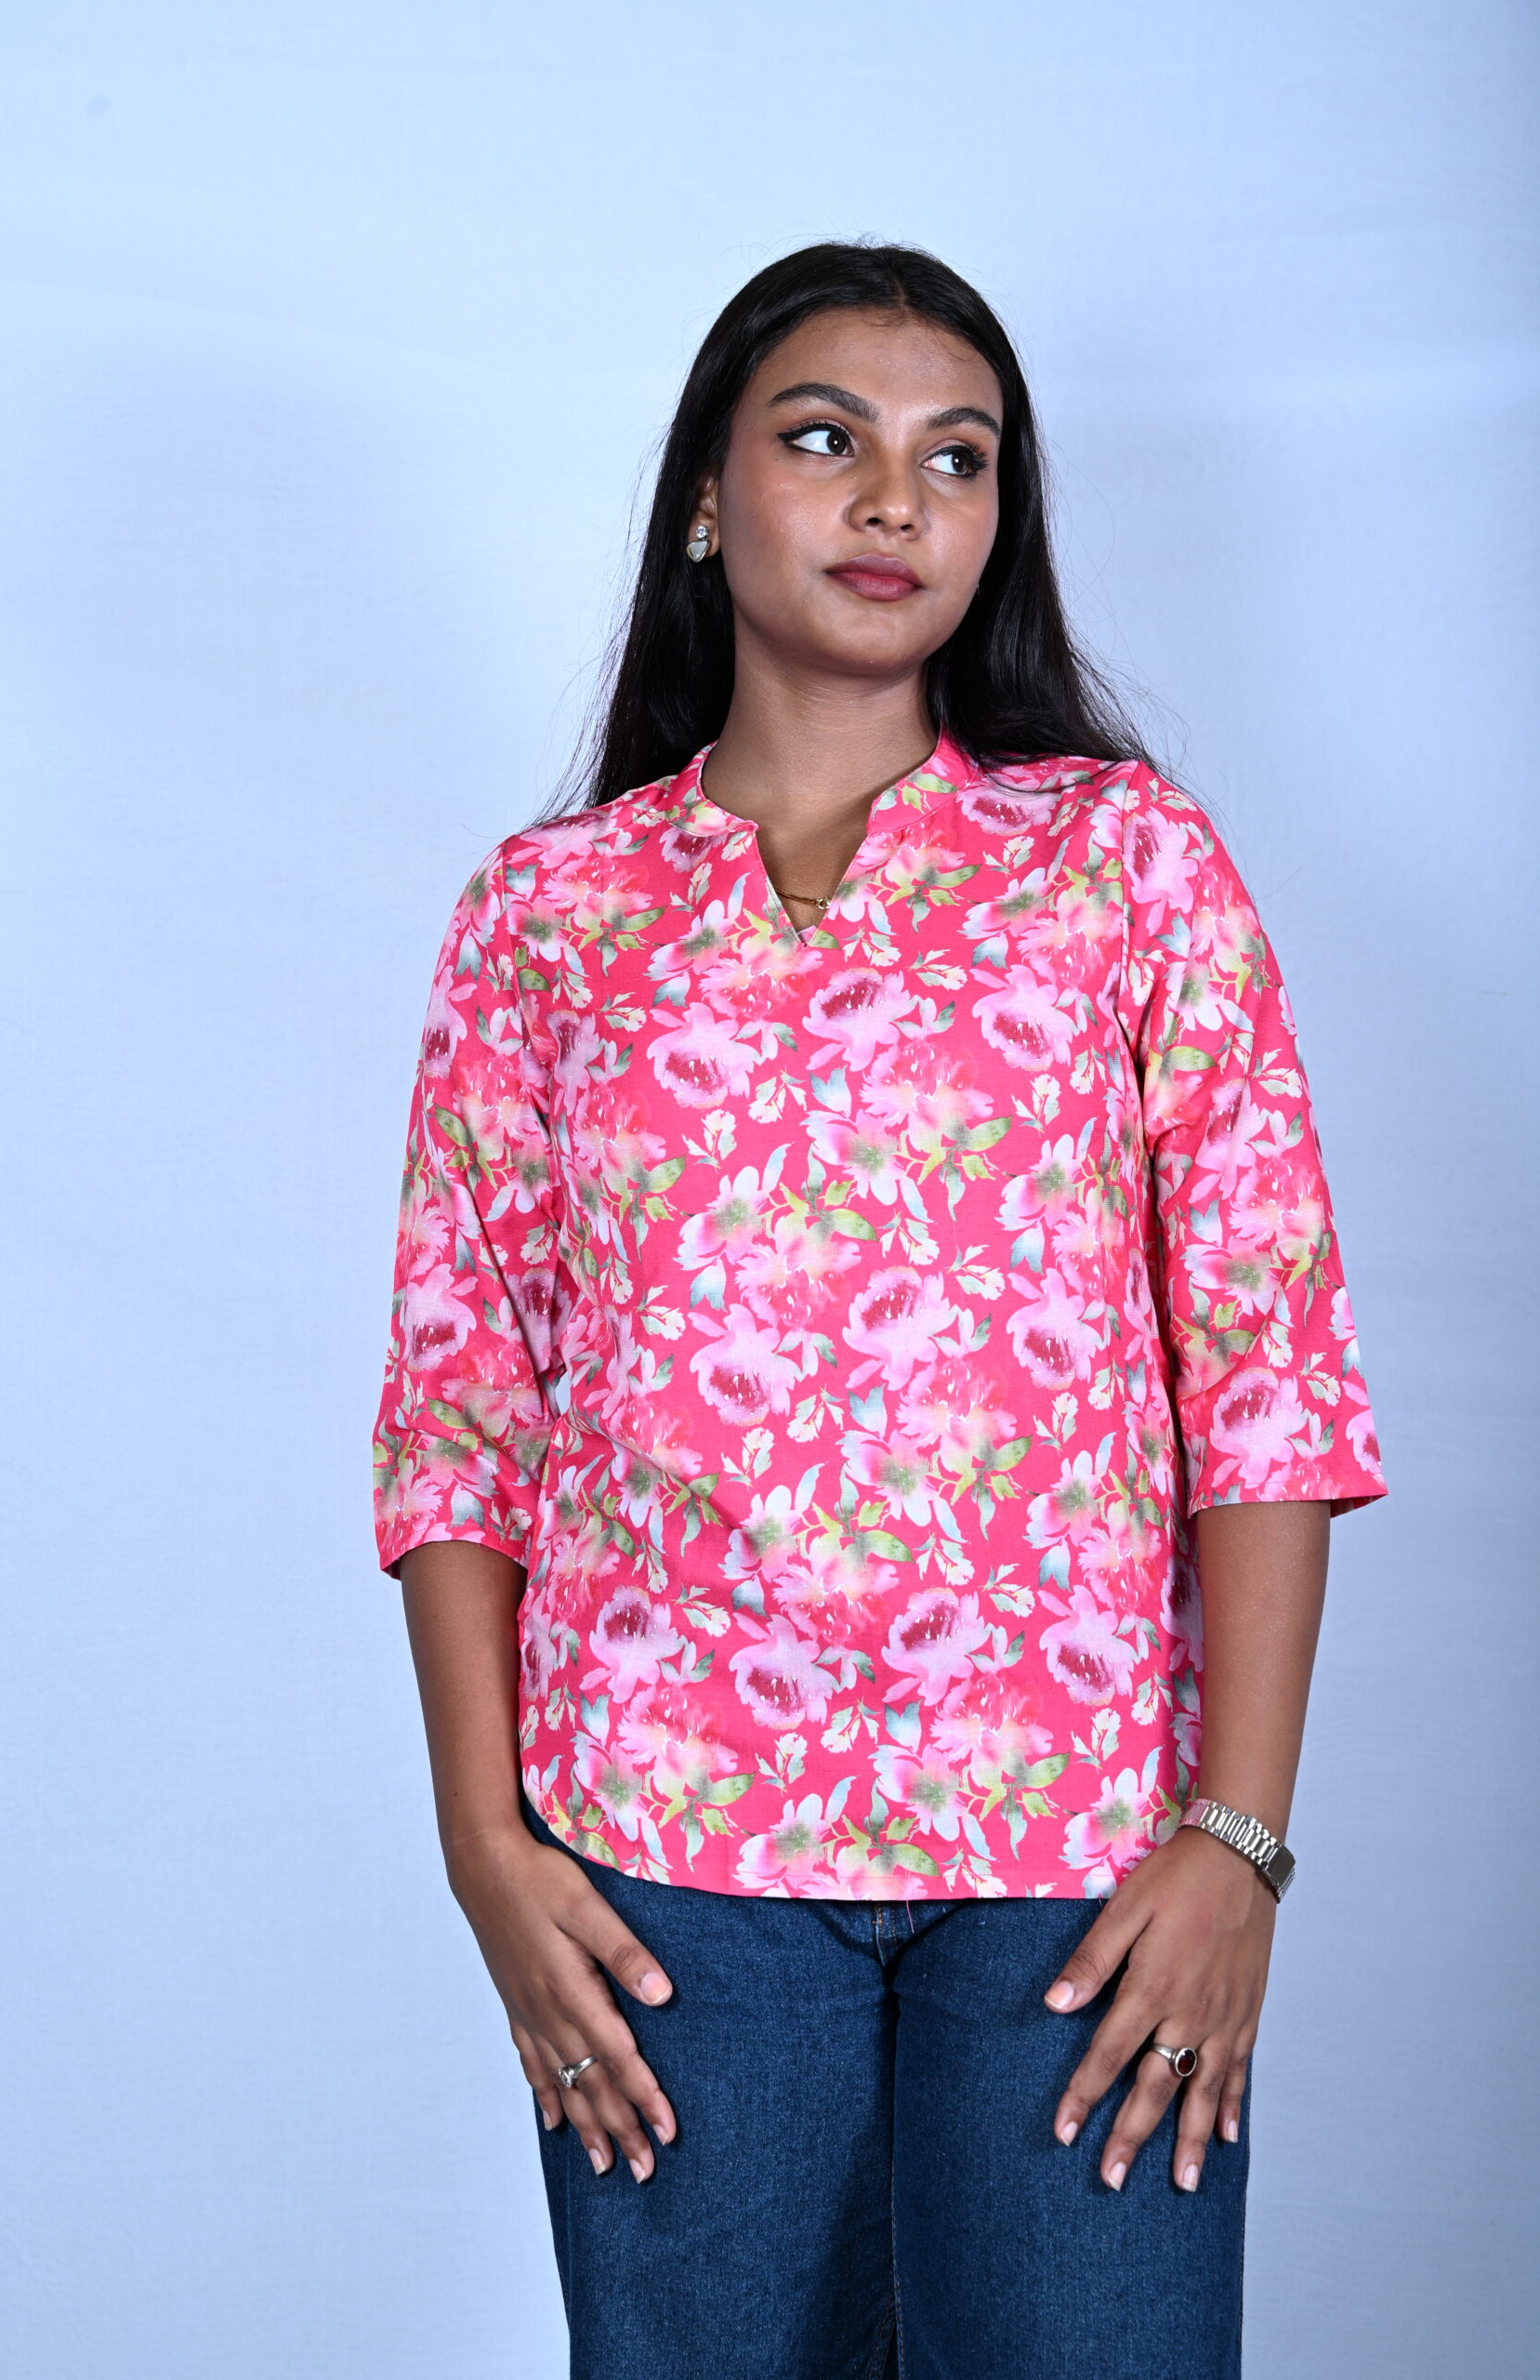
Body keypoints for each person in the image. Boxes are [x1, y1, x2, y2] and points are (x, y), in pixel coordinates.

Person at [373, 241, 1387, 2380]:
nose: (890, 499)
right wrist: (482, 1840)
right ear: (704, 496)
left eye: (956, 457)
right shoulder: (548, 919)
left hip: (1084, 1860)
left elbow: (1267, 1368)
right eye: (824, 437)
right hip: (662, 1864)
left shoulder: (1123, 868)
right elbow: (463, 1405)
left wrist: (1236, 1839)